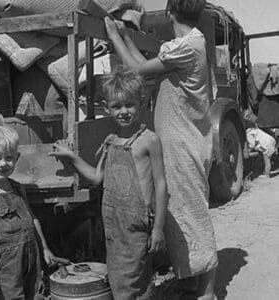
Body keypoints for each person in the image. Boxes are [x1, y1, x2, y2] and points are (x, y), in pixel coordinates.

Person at [104, 0, 218, 299]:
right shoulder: (189, 43)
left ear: (169, 13)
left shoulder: (186, 45)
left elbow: (138, 71)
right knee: (179, 212)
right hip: (182, 140)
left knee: (193, 215)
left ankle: (207, 292)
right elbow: (145, 68)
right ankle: (190, 282)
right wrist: (127, 37)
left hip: (183, 142)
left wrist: (115, 37)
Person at [49, 67, 168, 300]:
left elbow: (161, 185)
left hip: (137, 222)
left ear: (141, 103)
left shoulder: (149, 141)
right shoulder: (110, 141)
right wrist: (71, 157)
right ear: (107, 108)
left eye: (130, 105)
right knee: (120, 279)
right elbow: (96, 178)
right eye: (116, 106)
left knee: (131, 282)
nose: (124, 111)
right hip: (113, 222)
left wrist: (158, 228)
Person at [0, 125, 54, 299]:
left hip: (30, 264)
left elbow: (33, 220)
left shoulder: (18, 188)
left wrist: (45, 248)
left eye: (9, 158)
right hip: (2, 271)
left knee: (35, 294)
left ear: (17, 158)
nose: (3, 163)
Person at [244, 110, 276, 178]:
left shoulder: (249, 134)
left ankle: (267, 175)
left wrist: (248, 150)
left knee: (267, 160)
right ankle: (261, 169)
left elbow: (252, 144)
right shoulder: (254, 127)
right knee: (264, 157)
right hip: (269, 140)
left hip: (267, 144)